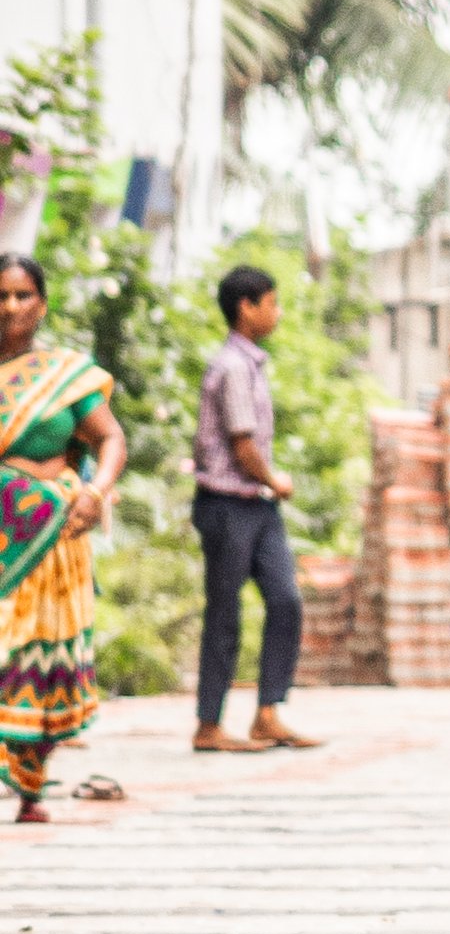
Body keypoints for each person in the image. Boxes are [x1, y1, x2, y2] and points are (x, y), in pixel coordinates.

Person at [0, 253, 126, 824]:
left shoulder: (65, 373)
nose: (11, 307)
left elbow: (111, 439)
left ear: (42, 303)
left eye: (23, 295)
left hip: (55, 538)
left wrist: (95, 492)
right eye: (2, 295)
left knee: (38, 657)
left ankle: (30, 788)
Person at [191, 263, 318, 755]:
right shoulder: (232, 367)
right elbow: (242, 444)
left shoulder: (253, 364)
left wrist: (267, 488)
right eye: (273, 302)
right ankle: (208, 724)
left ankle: (268, 712)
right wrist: (275, 480)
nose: (278, 312)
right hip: (227, 504)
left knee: (285, 600)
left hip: (258, 508)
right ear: (247, 307)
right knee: (225, 613)